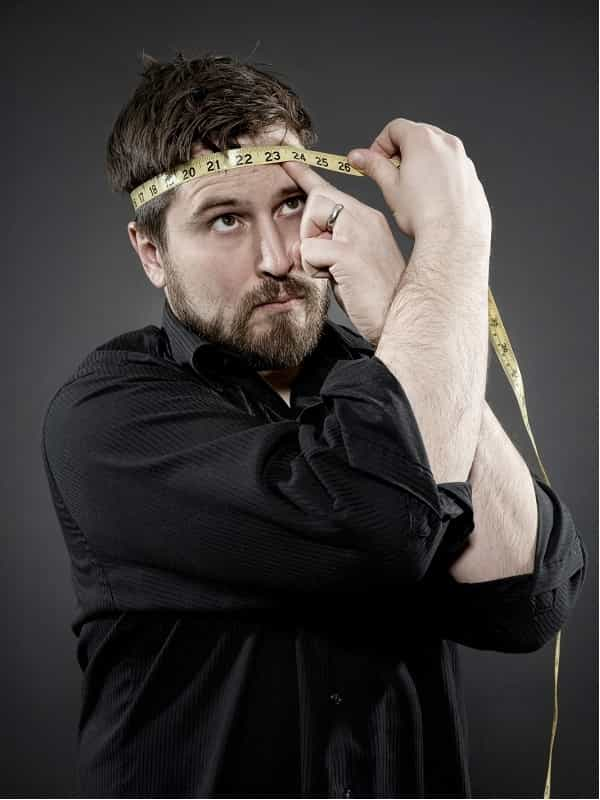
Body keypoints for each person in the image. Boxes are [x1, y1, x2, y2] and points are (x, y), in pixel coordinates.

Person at [40, 51, 587, 798]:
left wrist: (403, 307)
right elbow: (374, 523)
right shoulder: (108, 415)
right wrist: (454, 238)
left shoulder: (395, 363)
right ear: (152, 254)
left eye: (290, 205)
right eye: (225, 219)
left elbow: (525, 601)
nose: (277, 258)